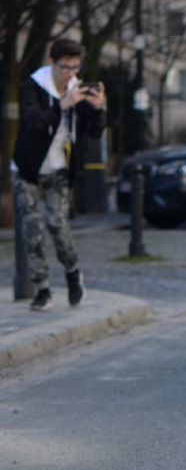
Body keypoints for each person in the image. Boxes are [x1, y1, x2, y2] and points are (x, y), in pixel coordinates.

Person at [11, 38, 107, 311]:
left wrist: (98, 108)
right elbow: (33, 122)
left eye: (76, 68)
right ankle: (42, 289)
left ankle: (73, 272)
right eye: (65, 67)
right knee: (32, 229)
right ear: (52, 63)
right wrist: (62, 105)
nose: (71, 74)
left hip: (59, 170)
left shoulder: (78, 90)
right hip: (26, 169)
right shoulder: (33, 86)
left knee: (58, 226)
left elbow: (94, 131)